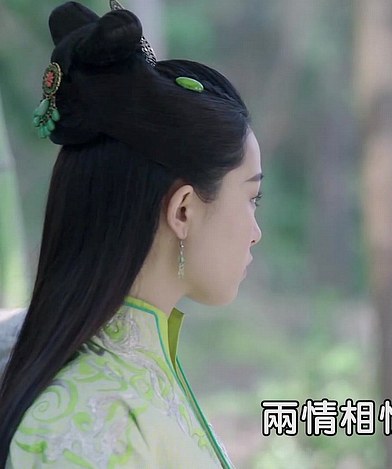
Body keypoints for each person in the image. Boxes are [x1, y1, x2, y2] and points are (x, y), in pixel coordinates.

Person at [0, 1, 262, 467]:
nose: (256, 232)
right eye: (251, 198)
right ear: (183, 210)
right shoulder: (96, 420)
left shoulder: (131, 378)